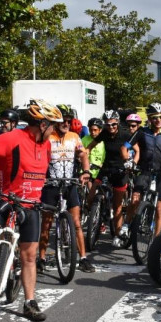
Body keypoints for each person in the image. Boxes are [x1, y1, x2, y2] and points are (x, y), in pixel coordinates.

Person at [0, 99, 63, 321]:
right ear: (43, 124)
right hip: (6, 199)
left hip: (31, 206)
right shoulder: (14, 138)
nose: (55, 131)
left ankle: (29, 302)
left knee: (29, 256)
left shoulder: (47, 145)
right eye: (53, 126)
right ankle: (1, 260)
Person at [38, 107, 95, 274]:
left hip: (70, 185)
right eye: (63, 120)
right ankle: (41, 258)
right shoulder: (47, 137)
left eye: (69, 121)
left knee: (76, 223)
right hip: (51, 185)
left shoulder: (74, 137)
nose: (66, 123)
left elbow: (83, 155)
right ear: (55, 122)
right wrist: (40, 176)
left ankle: (83, 258)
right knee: (46, 224)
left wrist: (86, 172)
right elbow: (39, 157)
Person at [124, 102, 161, 241]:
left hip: (160, 173)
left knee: (159, 208)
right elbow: (125, 146)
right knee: (134, 200)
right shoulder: (142, 131)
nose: (158, 120)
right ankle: (126, 225)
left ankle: (156, 241)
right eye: (155, 117)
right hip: (144, 171)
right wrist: (127, 160)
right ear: (149, 118)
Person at [85, 110, 132, 247]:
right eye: (108, 125)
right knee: (91, 194)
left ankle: (118, 236)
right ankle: (95, 214)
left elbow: (136, 148)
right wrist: (84, 155)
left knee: (117, 207)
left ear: (117, 123)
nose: (111, 127)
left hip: (120, 171)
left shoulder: (125, 134)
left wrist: (131, 161)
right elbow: (90, 147)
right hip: (105, 168)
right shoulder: (104, 133)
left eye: (113, 125)